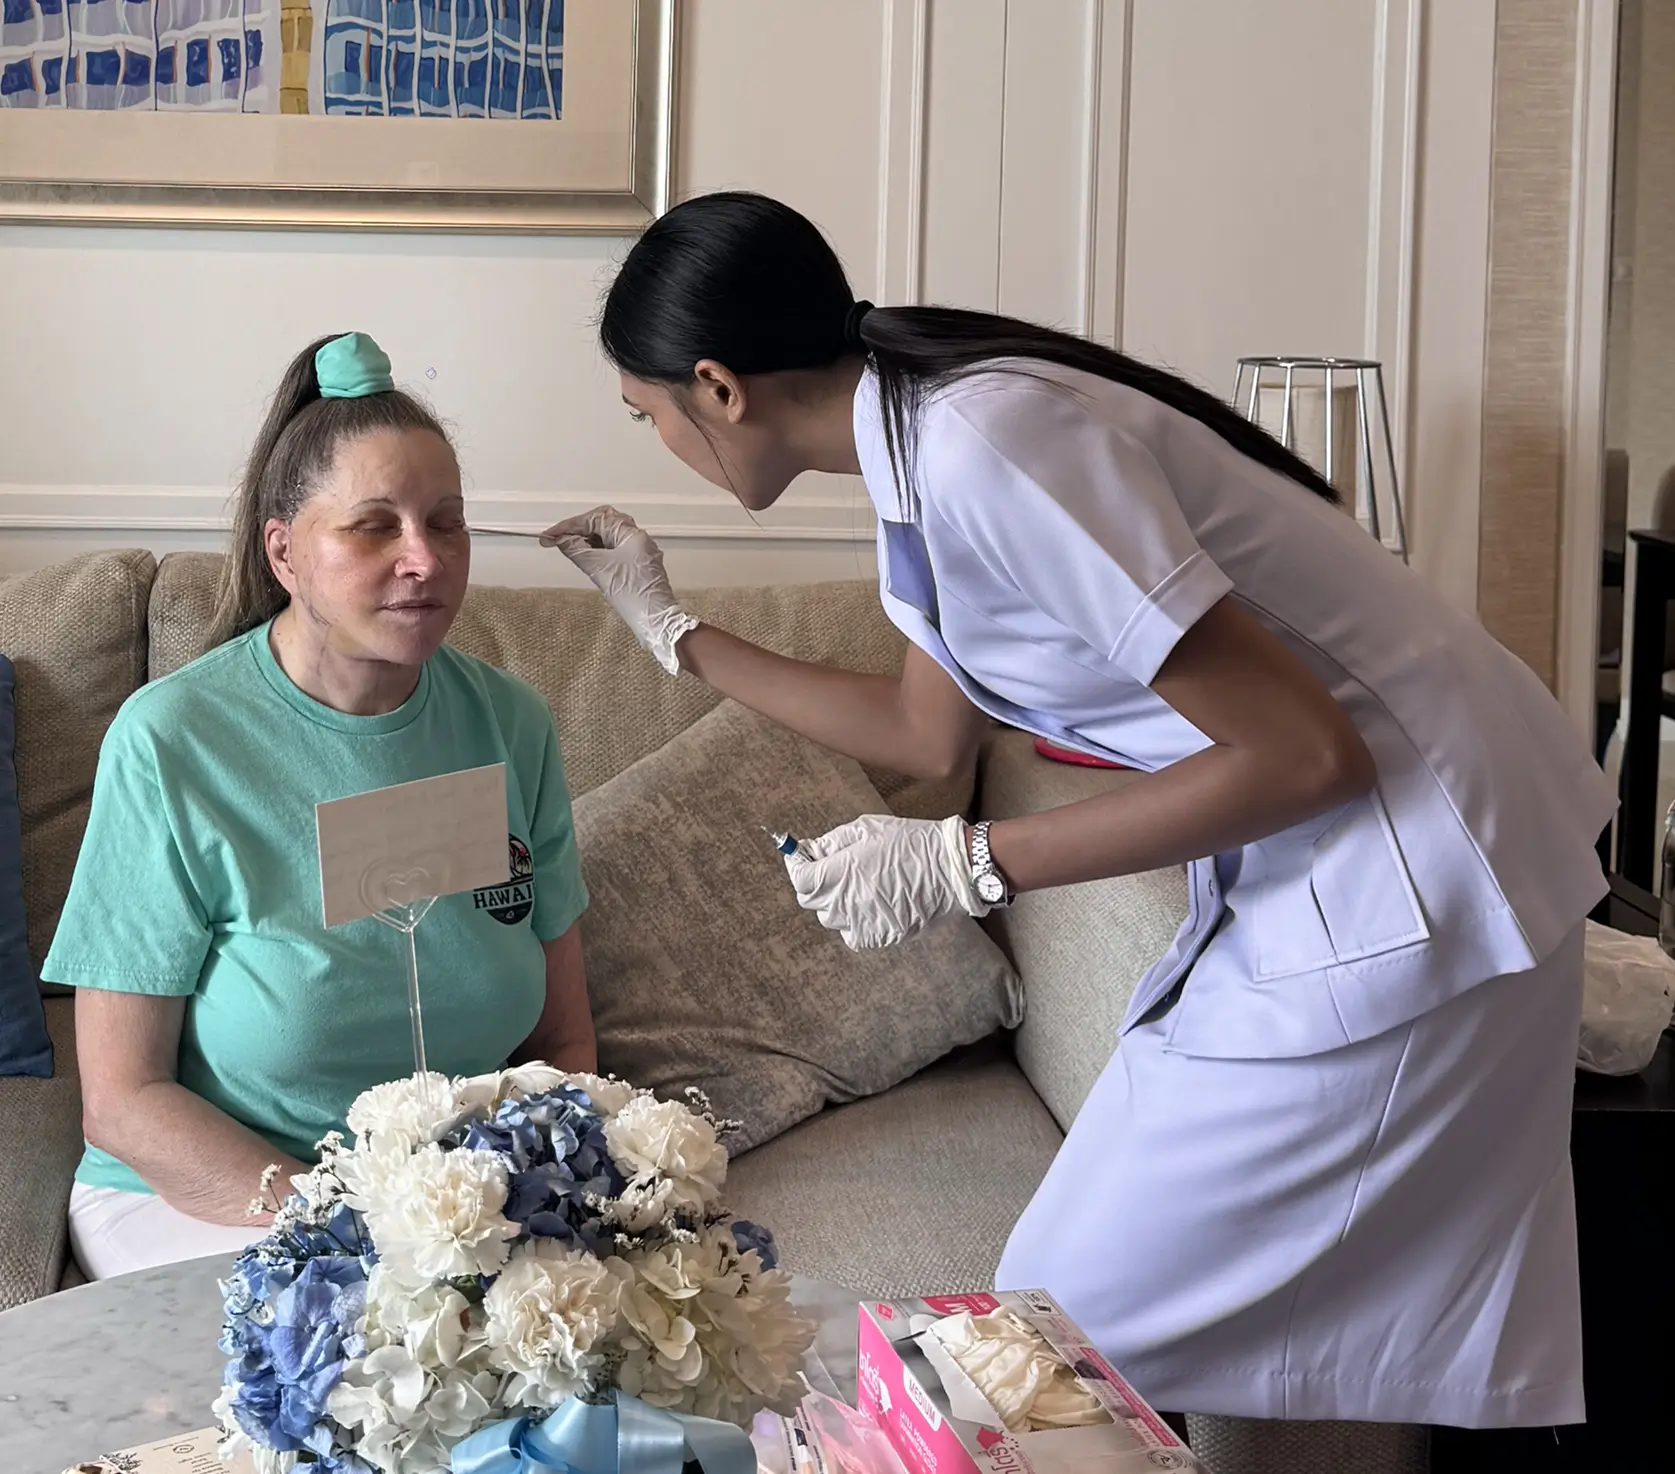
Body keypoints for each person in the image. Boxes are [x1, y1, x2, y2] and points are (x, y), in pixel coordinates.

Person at [546, 191, 1615, 1431]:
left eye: (650, 415)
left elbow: (1306, 752)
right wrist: (676, 636)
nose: (657, 442)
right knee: (1039, 1322)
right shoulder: (920, 453)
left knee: (1049, 1335)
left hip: (1423, 864)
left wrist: (972, 863)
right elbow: (920, 732)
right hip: (1329, 869)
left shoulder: (989, 450)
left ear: (718, 388)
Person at [47, 333, 593, 1281]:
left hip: (450, 1205)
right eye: (374, 526)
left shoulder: (509, 724)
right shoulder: (172, 741)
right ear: (285, 551)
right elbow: (125, 1103)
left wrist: (539, 1195)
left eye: (447, 522)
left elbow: (563, 1041)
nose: (423, 558)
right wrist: (354, 1227)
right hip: (214, 1195)